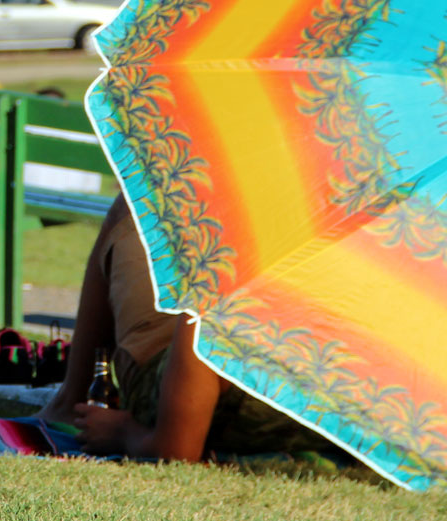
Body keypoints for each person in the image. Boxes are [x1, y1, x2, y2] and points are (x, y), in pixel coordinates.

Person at [36, 196, 338, 462]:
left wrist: (122, 431)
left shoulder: (214, 308)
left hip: (170, 378)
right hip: (271, 382)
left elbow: (175, 451)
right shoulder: (360, 342)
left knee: (133, 204)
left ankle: (70, 399)